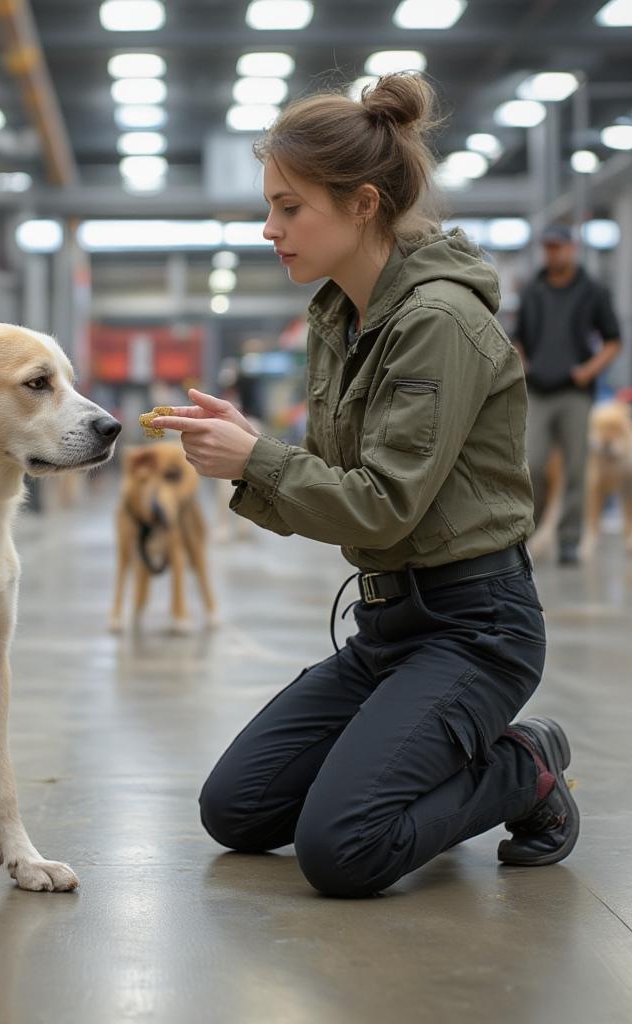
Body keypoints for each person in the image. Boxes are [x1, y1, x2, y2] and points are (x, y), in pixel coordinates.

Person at [150, 73, 578, 899]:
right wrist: (257, 449)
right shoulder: (339, 318)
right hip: (390, 627)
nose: (271, 229)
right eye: (269, 207)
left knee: (343, 849)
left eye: (289, 207)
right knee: (235, 810)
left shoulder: (437, 323)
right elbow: (344, 483)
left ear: (363, 204)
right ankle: (413, 764)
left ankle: (522, 768)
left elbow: (383, 503)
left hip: (475, 630)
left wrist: (255, 460)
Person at [513, 224, 622, 566]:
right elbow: (518, 339)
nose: (553, 253)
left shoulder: (592, 290)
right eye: (548, 247)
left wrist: (589, 370)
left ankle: (569, 540)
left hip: (575, 393)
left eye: (558, 247)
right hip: (539, 391)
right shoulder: (533, 290)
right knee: (533, 464)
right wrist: (523, 363)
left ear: (572, 249)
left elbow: (613, 340)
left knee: (576, 468)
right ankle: (527, 534)